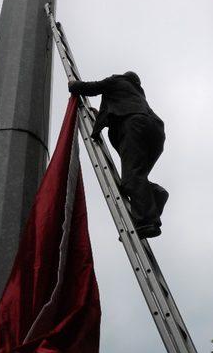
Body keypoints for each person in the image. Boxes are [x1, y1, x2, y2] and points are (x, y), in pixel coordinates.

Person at [68, 72, 168, 238]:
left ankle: (147, 222)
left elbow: (91, 88)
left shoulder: (117, 80)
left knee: (132, 178)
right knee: (135, 178)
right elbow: (118, 109)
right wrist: (100, 115)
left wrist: (74, 85)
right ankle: (155, 194)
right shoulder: (136, 94)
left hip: (134, 125)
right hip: (155, 131)